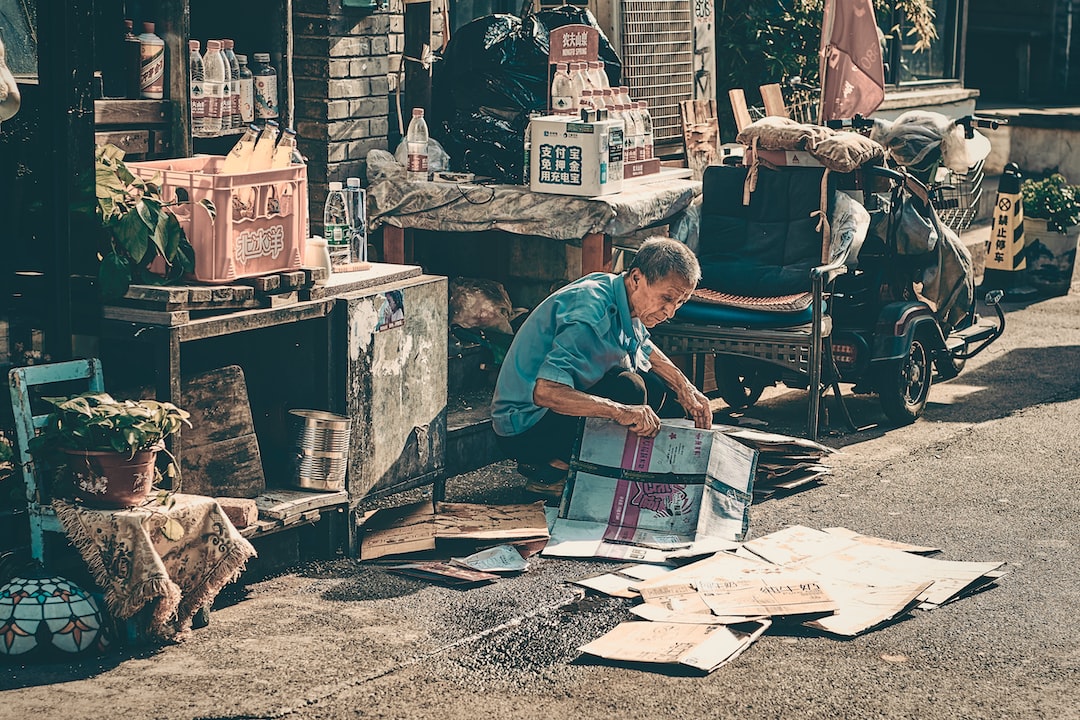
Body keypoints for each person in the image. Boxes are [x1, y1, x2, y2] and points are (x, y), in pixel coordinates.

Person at [491, 237, 712, 497]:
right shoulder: (589, 315)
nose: (670, 312)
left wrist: (685, 387)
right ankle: (551, 470)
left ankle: (587, 463)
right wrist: (621, 412)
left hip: (549, 412)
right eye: (667, 298)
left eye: (680, 302)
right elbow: (546, 392)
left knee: (656, 387)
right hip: (523, 428)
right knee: (630, 391)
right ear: (637, 278)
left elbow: (643, 346)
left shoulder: (619, 291)